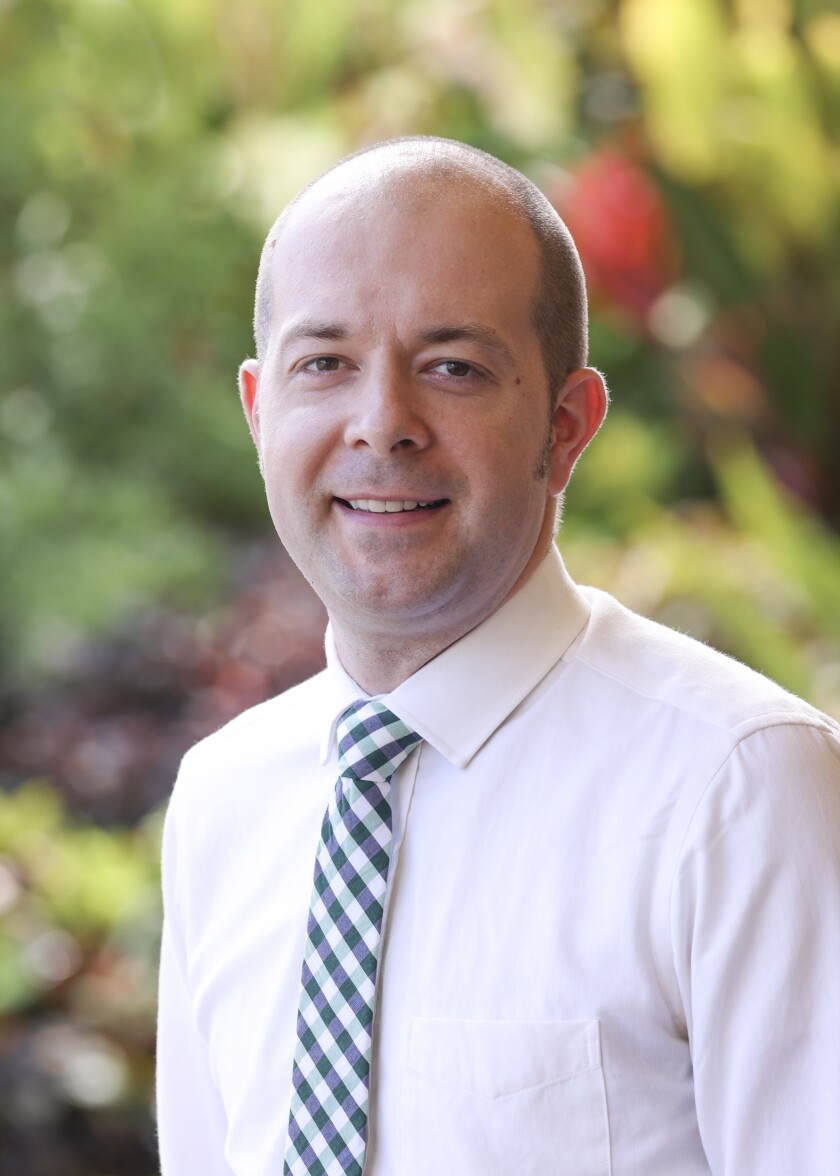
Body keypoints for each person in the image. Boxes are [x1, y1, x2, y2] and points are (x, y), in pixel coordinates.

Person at [156, 136, 840, 1175]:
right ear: (260, 410)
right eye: (325, 364)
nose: (382, 423)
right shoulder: (223, 800)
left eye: (453, 367)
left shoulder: (737, 787)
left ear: (566, 428)